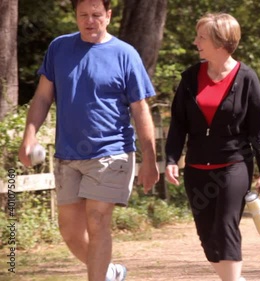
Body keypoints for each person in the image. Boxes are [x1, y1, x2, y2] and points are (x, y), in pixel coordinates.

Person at [18, 0, 159, 280]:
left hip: (112, 152)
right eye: (83, 15)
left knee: (98, 221)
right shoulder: (59, 48)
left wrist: (150, 159)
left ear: (108, 15)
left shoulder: (124, 54)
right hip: (68, 154)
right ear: (76, 16)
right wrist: (29, 136)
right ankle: (110, 272)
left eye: (96, 15)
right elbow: (43, 97)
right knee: (70, 232)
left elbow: (140, 109)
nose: (90, 21)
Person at [165, 12, 260, 281]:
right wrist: (170, 159)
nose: (195, 42)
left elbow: (259, 127)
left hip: (234, 164)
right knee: (207, 234)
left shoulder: (246, 77)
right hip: (197, 167)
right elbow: (178, 124)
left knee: (225, 226)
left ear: (221, 41)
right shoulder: (190, 77)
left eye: (201, 37)